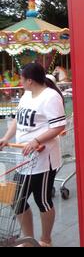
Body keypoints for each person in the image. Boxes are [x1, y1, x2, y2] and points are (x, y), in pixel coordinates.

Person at [0, 63, 66, 247]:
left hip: (43, 158)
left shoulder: (50, 97)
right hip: (24, 158)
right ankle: (29, 240)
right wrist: (6, 137)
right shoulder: (27, 95)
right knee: (16, 200)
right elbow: (17, 119)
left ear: (29, 80)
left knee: (42, 200)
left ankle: (45, 240)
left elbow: (58, 126)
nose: (20, 82)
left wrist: (37, 140)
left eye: (21, 79)